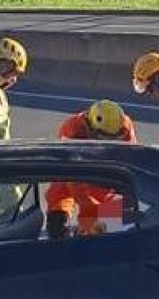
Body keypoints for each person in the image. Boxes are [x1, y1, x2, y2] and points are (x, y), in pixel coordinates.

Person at [45, 98, 136, 235]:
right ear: (89, 127)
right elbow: (72, 178)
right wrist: (90, 213)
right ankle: (58, 218)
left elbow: (130, 163)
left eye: (113, 139)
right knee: (60, 189)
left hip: (105, 170)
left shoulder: (124, 126)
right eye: (103, 137)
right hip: (75, 170)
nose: (107, 143)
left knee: (102, 211)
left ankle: (94, 233)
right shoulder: (72, 129)